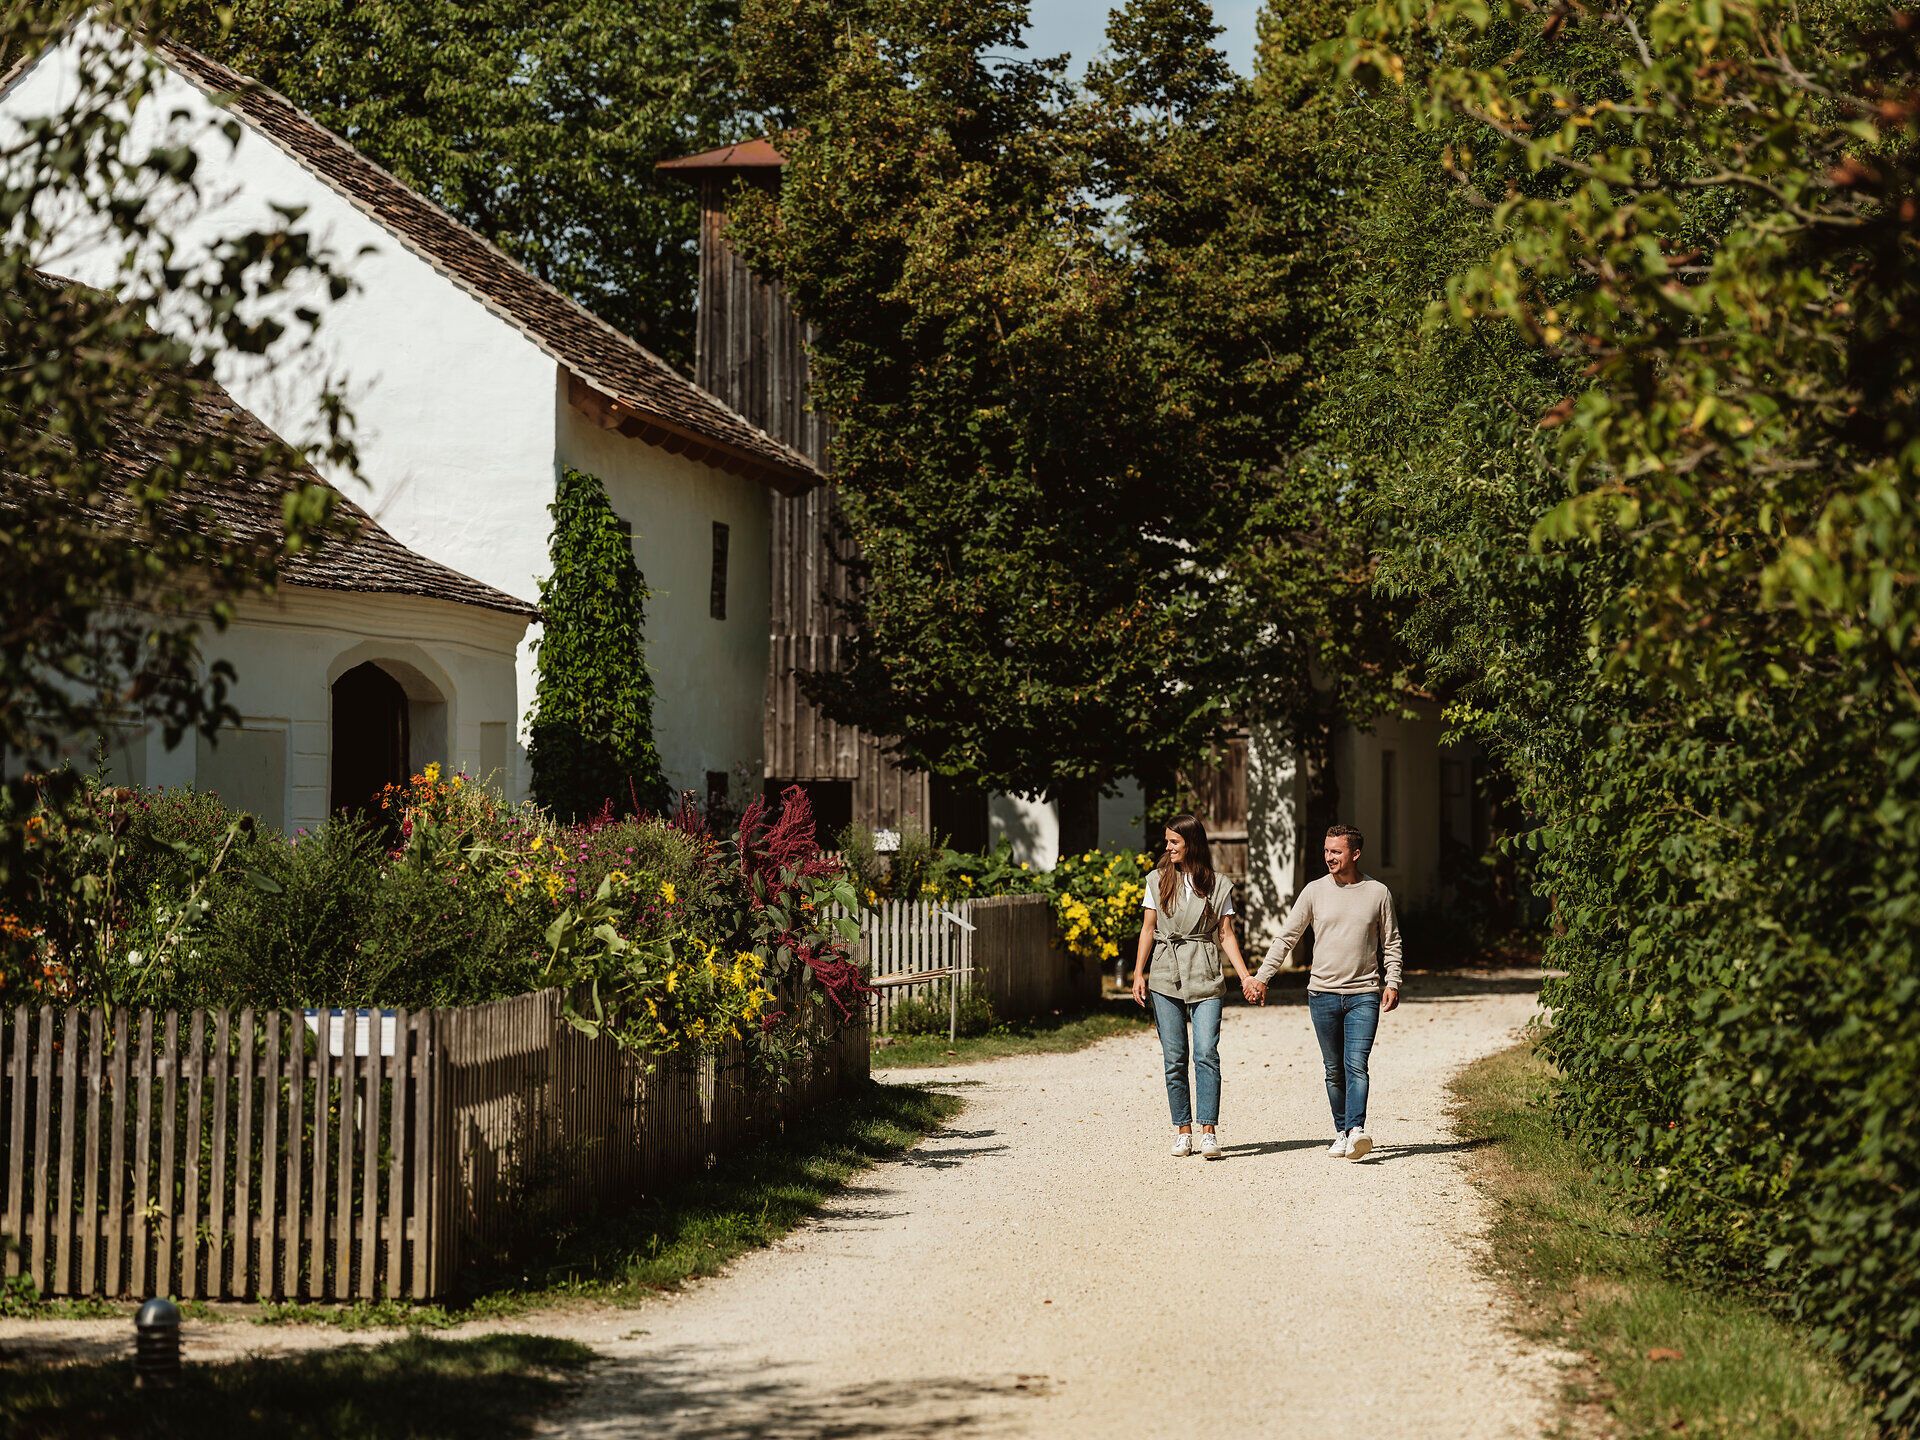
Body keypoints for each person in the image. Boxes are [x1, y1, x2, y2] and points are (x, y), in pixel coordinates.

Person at [1246, 824, 1402, 1160]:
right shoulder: (1315, 892)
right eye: (1327, 850)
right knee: (1334, 1068)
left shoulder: (1378, 893)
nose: (1329, 857)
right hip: (1322, 994)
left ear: (1355, 854)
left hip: (1363, 993)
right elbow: (1288, 937)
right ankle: (1342, 1131)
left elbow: (1391, 942)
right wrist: (1262, 978)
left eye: (1336, 852)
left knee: (1356, 1064)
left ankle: (1357, 1129)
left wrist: (1393, 981)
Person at [1130, 813, 1261, 1159]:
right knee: (1175, 1057)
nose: (1168, 847)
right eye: (1167, 841)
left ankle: (1208, 1131)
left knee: (1206, 1053)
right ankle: (1182, 1130)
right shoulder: (1157, 881)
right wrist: (1138, 973)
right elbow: (1148, 929)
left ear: (1192, 843)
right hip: (1164, 973)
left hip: (1204, 972)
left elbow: (1226, 935)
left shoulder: (1218, 885)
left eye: (1174, 841)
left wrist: (1246, 976)